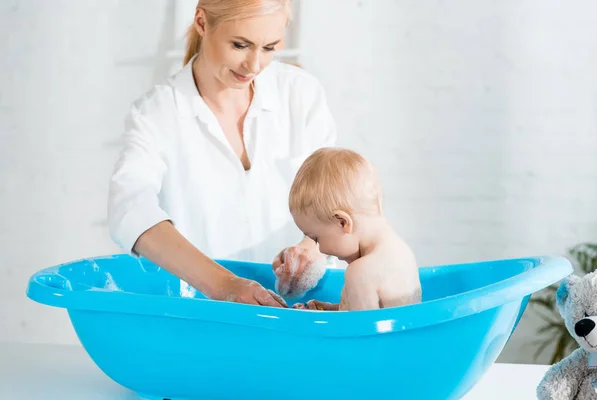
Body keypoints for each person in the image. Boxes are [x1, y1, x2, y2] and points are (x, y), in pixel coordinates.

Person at [107, 0, 337, 308]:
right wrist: (223, 285)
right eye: (240, 45)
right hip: (212, 316)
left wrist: (313, 246)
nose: (254, 65)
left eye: (269, 47)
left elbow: (337, 201)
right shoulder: (157, 113)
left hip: (308, 312)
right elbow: (130, 211)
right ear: (202, 22)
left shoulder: (301, 94)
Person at [286, 147, 422, 311]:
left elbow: (359, 332)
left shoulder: (360, 273)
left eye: (316, 238)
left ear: (342, 222)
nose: (319, 248)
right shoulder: (403, 252)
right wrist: (330, 309)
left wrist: (314, 321)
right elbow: (379, 317)